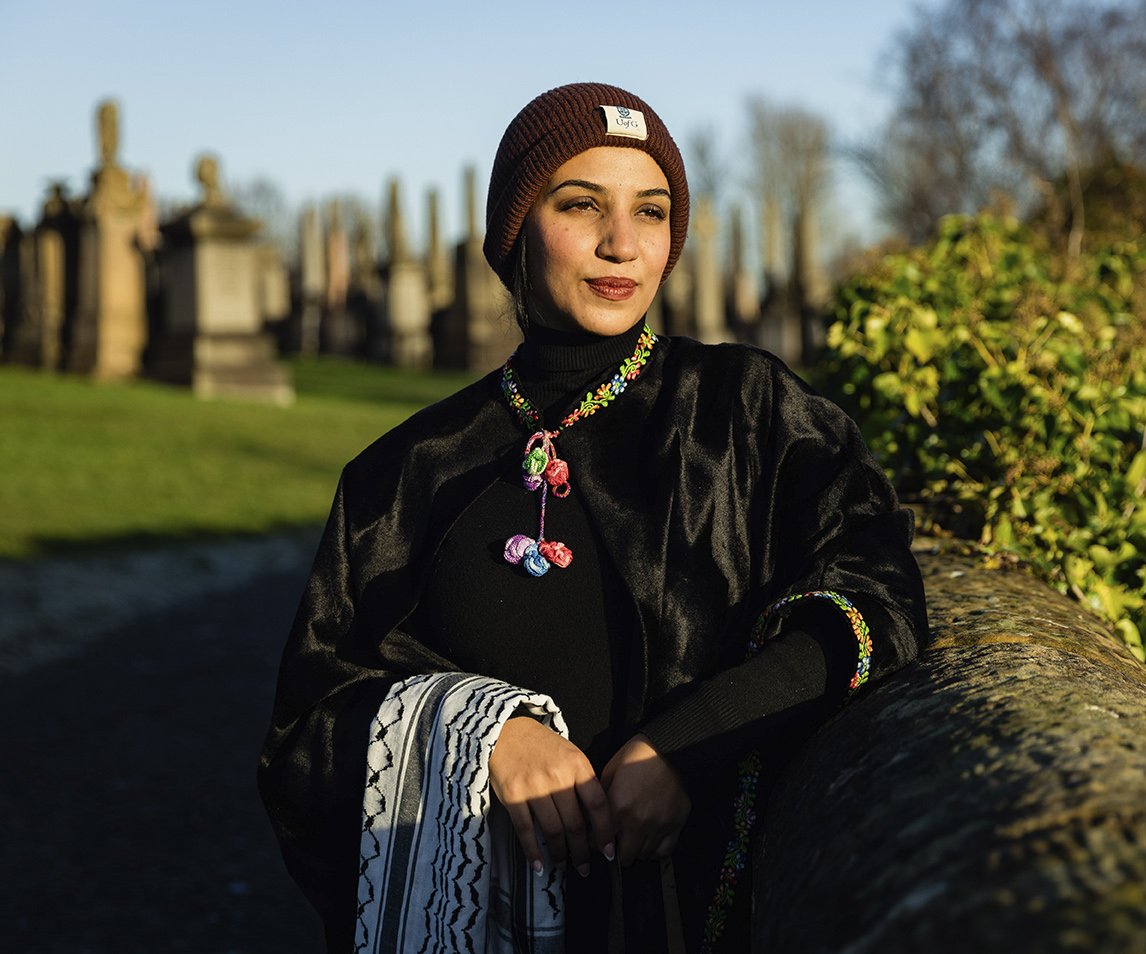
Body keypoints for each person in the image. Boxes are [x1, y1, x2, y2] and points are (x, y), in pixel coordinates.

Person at [258, 82, 927, 954]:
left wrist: (687, 747)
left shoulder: (749, 414)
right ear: (515, 229)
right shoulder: (404, 474)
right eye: (582, 205)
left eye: (651, 212)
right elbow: (309, 725)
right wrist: (483, 737)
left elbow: (877, 602)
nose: (622, 244)